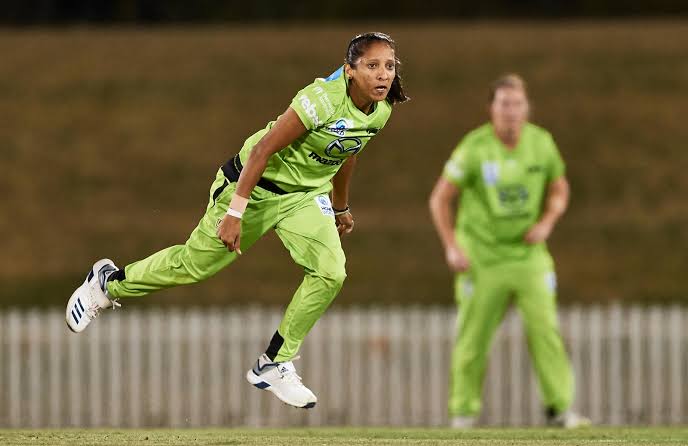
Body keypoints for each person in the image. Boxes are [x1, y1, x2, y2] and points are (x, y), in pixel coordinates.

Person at [66, 32, 409, 409]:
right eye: (372, 66)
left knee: (331, 272)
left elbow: (347, 153)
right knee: (194, 266)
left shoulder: (382, 111)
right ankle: (108, 283)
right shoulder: (321, 101)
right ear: (349, 71)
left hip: (304, 197)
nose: (382, 74)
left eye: (389, 66)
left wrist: (341, 207)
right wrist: (234, 214)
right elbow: (262, 150)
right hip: (252, 186)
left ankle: (273, 364)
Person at [428, 74, 589, 428]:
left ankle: (560, 409)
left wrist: (547, 221)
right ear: (492, 109)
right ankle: (463, 414)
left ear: (527, 108)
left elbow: (560, 188)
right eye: (504, 104)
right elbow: (440, 199)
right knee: (473, 337)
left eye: (517, 104)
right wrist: (452, 246)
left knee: (546, 330)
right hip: (482, 257)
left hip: (529, 256)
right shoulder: (474, 147)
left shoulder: (541, 143)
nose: (511, 112)